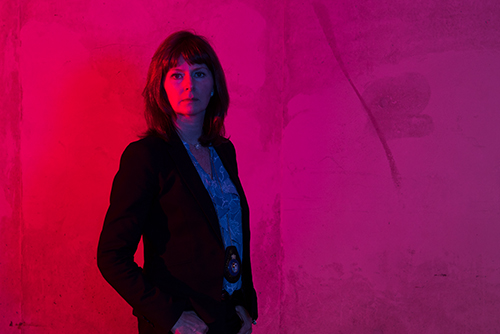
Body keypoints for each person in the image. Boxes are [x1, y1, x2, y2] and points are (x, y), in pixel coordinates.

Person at [97, 31, 258, 334]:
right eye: (176, 75)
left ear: (213, 86)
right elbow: (111, 256)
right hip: (182, 323)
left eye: (199, 73)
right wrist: (170, 317)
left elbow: (230, 231)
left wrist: (245, 306)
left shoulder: (224, 151)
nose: (189, 85)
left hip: (228, 319)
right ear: (161, 87)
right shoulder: (146, 156)